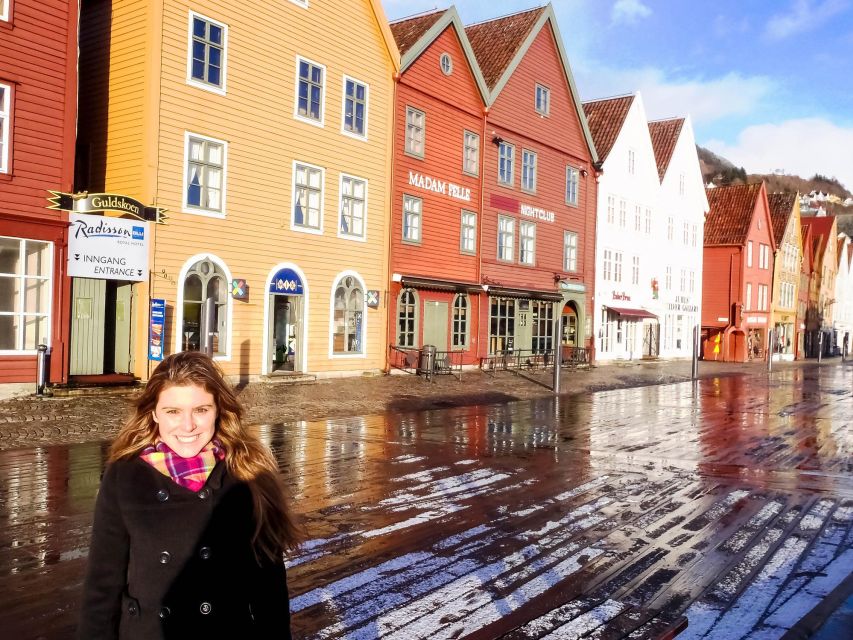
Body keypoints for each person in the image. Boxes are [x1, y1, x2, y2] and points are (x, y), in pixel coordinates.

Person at [78, 351, 299, 639]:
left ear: (218, 409)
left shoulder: (247, 471)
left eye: (201, 410)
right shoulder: (125, 475)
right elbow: (102, 585)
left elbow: (269, 588)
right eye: (173, 411)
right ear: (154, 413)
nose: (188, 426)